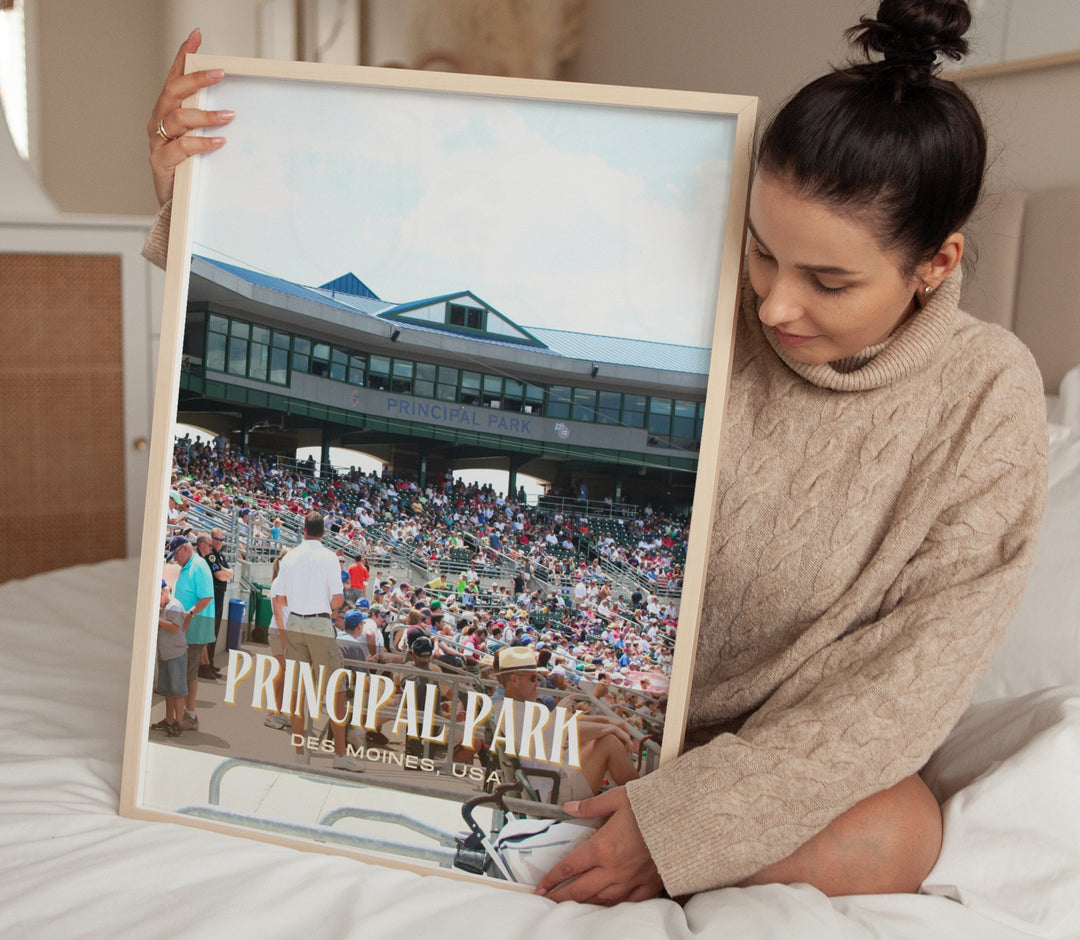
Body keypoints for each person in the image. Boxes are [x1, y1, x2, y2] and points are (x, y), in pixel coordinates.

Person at [147, 0, 1047, 904]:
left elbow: (907, 689)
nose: (774, 305)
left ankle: (599, 847)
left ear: (936, 263)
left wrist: (689, 823)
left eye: (829, 280)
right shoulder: (703, 302)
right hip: (620, 717)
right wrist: (195, 198)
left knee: (901, 833)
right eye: (764, 253)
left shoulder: (986, 397)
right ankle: (564, 835)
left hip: (777, 758)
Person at [274, 511, 364, 772]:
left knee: (298, 689)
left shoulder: (289, 557)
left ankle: (300, 753)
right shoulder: (329, 558)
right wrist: (328, 609)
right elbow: (337, 598)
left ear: (303, 529)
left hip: (296, 624)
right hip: (318, 623)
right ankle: (339, 755)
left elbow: (279, 599)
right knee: (336, 689)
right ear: (323, 532)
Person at [166, 534, 215, 732]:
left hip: (194, 630)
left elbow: (206, 597)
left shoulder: (199, 566)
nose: (175, 559)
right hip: (185, 629)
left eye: (176, 555)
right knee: (183, 673)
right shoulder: (189, 566)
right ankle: (180, 715)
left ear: (185, 549)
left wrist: (190, 614)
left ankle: (190, 714)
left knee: (189, 674)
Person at [151, 579, 188, 737]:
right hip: (166, 654)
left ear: (161, 593)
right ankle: (169, 719)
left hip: (176, 655)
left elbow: (175, 627)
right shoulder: (166, 606)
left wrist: (157, 620)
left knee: (177, 690)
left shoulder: (173, 606)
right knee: (167, 689)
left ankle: (179, 722)